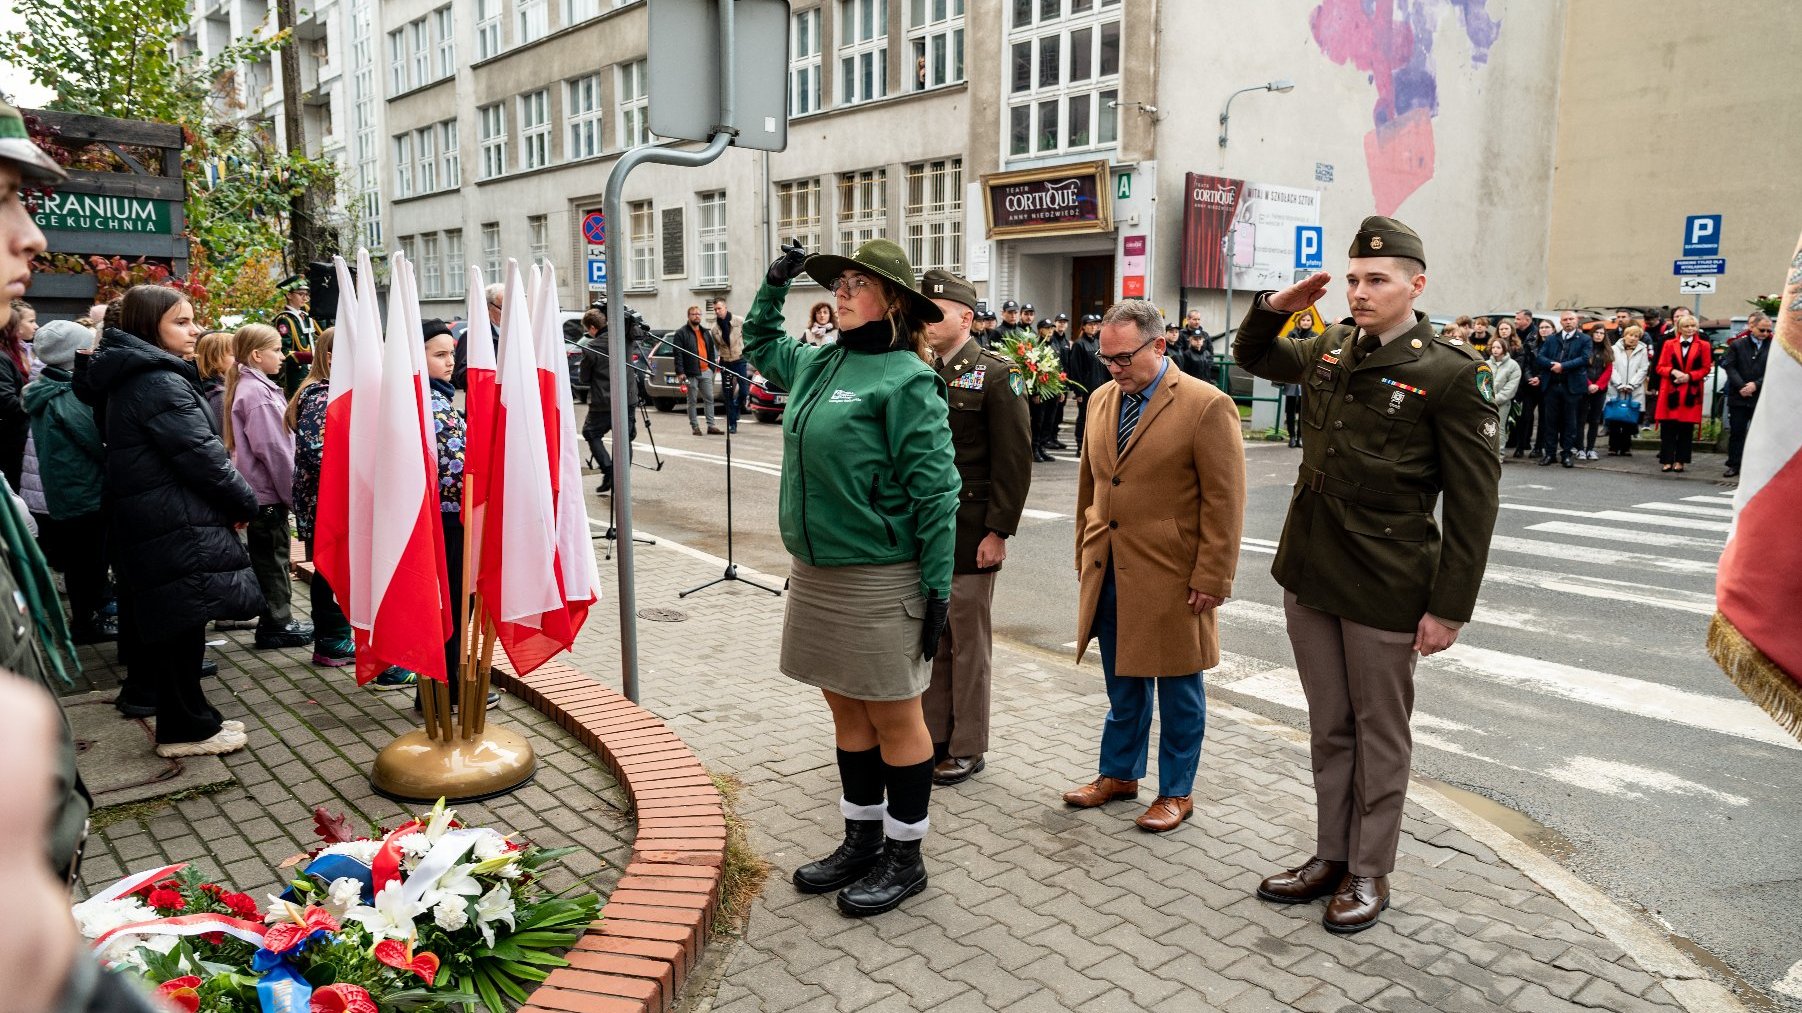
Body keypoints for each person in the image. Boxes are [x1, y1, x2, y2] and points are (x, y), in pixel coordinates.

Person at [1233, 216, 1499, 934]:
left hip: (1386, 577)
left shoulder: (1449, 372)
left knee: (1380, 730)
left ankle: (1369, 867)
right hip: (1311, 569)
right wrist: (1276, 306)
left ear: (1416, 283)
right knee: (1329, 726)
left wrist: (1449, 609)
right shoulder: (1330, 346)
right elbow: (1251, 356)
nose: (1360, 290)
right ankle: (1330, 854)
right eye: (1352, 278)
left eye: (1376, 279)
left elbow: (1474, 504)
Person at [745, 237, 959, 918]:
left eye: (854, 285)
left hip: (879, 578)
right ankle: (860, 840)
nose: (838, 293)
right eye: (835, 284)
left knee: (896, 713)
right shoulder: (818, 361)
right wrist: (773, 283)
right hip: (819, 575)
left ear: (891, 301)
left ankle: (906, 855)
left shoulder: (907, 378)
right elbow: (756, 341)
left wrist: (936, 591)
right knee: (844, 706)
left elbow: (937, 495)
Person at [1063, 298, 1246, 833]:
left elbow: (1224, 502)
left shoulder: (1205, 405)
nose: (1114, 369)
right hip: (1111, 566)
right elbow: (1091, 486)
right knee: (1122, 682)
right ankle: (1118, 774)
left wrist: (1213, 576)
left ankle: (1176, 791)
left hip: (1173, 574)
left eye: (1123, 359)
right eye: (1106, 359)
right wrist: (1085, 550)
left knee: (1178, 690)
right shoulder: (1101, 399)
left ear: (1159, 346)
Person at [88, 285, 261, 757]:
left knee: (180, 626)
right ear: (149, 327)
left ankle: (193, 718)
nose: (194, 330)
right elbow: (202, 456)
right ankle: (184, 730)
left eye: (192, 320)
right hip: (171, 518)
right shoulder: (157, 380)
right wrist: (245, 501)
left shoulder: (146, 373)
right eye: (180, 322)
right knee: (181, 627)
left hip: (161, 515)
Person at [917, 269, 1032, 787]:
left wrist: (998, 533)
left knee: (968, 643)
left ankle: (967, 746)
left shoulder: (994, 373)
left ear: (965, 317)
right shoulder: (922, 368)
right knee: (933, 638)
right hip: (928, 531)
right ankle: (933, 736)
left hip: (970, 530)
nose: (926, 321)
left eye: (935, 311)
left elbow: (1015, 461)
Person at [422, 319, 495, 711]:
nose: (450, 362)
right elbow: (453, 464)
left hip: (452, 521)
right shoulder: (426, 402)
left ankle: (440, 688)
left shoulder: (440, 397)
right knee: (449, 606)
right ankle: (443, 690)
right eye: (440, 354)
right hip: (445, 523)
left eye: (452, 353)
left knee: (454, 604)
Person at [223, 323, 310, 650]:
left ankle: (277, 619)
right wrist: (293, 494)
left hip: (257, 493)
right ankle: (278, 622)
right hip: (266, 494)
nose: (281, 355)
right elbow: (274, 450)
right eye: (275, 349)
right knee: (272, 559)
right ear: (257, 355)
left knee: (268, 556)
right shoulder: (258, 394)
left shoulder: (251, 387)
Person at [25, 320, 112, 643]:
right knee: (87, 563)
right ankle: (86, 625)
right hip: (82, 489)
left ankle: (84, 620)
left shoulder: (43, 387)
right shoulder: (68, 393)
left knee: (80, 562)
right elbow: (93, 439)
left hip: (62, 487)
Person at [287, 326, 362, 671]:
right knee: (332, 569)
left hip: (331, 503)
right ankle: (332, 640)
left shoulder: (331, 391)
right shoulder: (321, 396)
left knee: (333, 568)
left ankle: (333, 638)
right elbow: (320, 452)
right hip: (326, 506)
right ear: (332, 359)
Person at [576, 306, 638, 492]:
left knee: (591, 433)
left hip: (603, 402)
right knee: (624, 438)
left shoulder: (592, 347)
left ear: (592, 328)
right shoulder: (624, 339)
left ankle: (609, 470)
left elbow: (584, 378)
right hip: (627, 398)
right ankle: (622, 480)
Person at [1655, 313, 1712, 473]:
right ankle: (1666, 460)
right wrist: (1674, 372)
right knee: (1668, 428)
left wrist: (1689, 376)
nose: (1690, 329)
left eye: (1693, 326)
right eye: (1687, 326)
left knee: (1686, 429)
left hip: (1690, 392)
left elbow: (1706, 368)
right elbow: (1660, 367)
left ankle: (1680, 461)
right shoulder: (1668, 344)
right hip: (1671, 391)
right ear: (1679, 328)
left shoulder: (1704, 345)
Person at [1720, 312, 1772, 477]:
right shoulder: (1738, 344)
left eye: (1768, 331)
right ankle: (1734, 464)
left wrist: (1756, 384)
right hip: (1739, 396)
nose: (1765, 334)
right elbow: (1730, 366)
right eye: (1762, 330)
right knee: (1737, 432)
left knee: (1760, 434)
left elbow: (1775, 367)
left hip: (1760, 396)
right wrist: (1741, 385)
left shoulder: (1773, 345)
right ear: (1752, 327)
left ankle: (1758, 465)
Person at [1536, 311, 1589, 468]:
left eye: (1571, 319)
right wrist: (1553, 365)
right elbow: (1540, 357)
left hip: (1571, 387)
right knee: (1550, 422)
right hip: (1552, 385)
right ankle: (1550, 453)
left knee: (1570, 423)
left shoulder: (1585, 339)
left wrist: (1563, 366)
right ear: (1561, 321)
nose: (1568, 322)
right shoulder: (1552, 338)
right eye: (1565, 319)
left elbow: (1584, 359)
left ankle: (1566, 454)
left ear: (1576, 320)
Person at [673, 305, 723, 436]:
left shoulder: (705, 332)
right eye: (694, 314)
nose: (697, 316)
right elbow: (678, 354)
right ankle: (695, 427)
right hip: (690, 372)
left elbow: (711, 352)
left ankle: (711, 426)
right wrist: (680, 372)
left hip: (706, 371)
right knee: (692, 401)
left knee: (709, 399)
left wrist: (711, 368)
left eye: (699, 314)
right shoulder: (681, 333)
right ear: (688, 316)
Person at [1606, 325, 1651, 457]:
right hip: (1616, 388)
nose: (1633, 338)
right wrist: (1619, 384)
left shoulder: (1642, 350)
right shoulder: (1614, 349)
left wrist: (1632, 384)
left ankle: (1626, 447)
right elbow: (1611, 368)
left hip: (1633, 389)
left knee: (1629, 419)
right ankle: (1613, 447)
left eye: (1636, 336)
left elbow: (1643, 369)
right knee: (1614, 418)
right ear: (1624, 335)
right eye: (1630, 335)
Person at [1065, 313, 1107, 452]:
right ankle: (1080, 445)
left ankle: (1093, 445)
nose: (1094, 327)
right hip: (1086, 389)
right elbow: (1075, 369)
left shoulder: (1097, 342)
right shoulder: (1079, 344)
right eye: (1090, 324)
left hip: (1099, 387)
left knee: (1098, 418)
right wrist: (1078, 391)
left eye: (1095, 324)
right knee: (1084, 417)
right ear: (1083, 326)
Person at [0, 299, 30, 489]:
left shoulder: (9, 354)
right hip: (8, 439)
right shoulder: (2, 358)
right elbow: (6, 400)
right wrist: (34, 403)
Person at [271, 274, 317, 397]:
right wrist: (310, 357)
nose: (305, 298)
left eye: (306, 294)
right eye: (301, 294)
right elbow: (284, 351)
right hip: (297, 374)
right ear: (289, 295)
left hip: (312, 370)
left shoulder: (306, 316)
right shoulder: (284, 319)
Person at [453, 283, 502, 390]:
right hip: (485, 401)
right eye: (502, 307)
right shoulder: (472, 337)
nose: (509, 312)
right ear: (488, 307)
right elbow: (460, 377)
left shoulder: (517, 338)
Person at [1028, 316, 1062, 462]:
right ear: (1040, 330)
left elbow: (1059, 368)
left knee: (1049, 420)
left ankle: (1042, 447)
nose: (1050, 331)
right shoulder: (1036, 345)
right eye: (1047, 328)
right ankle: (1034, 448)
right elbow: (1032, 370)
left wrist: (1061, 389)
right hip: (1041, 390)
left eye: (1051, 329)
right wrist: (1035, 392)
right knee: (1038, 421)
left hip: (1052, 389)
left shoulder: (1054, 344)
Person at [1508, 311, 1542, 457]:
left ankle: (1533, 445)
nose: (1515, 321)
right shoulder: (1518, 334)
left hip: (1540, 381)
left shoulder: (1534, 335)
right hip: (1526, 381)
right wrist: (1528, 377)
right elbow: (1526, 361)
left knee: (1539, 416)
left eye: (1518, 319)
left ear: (1527, 320)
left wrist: (1537, 377)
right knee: (1524, 414)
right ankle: (1520, 444)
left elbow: (1532, 359)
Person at [1578, 326, 1615, 460]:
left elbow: (1608, 370)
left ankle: (1591, 449)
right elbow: (1581, 368)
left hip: (1600, 390)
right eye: (1596, 333)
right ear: (1592, 334)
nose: (1599, 335)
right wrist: (1588, 384)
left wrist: (1598, 386)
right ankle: (1580, 448)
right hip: (1584, 388)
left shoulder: (1607, 351)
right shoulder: (1585, 348)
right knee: (1580, 420)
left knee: (1594, 420)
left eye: (1602, 333)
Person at [715, 297, 749, 434]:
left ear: (725, 308)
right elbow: (719, 346)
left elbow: (747, 337)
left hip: (739, 360)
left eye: (719, 308)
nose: (717, 311)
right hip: (725, 362)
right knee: (728, 394)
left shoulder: (739, 321)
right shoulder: (714, 329)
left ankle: (736, 407)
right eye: (715, 309)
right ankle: (732, 424)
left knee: (744, 391)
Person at [1486, 337, 1520, 461]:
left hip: (1503, 403)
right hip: (1486, 402)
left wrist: (1496, 400)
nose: (1495, 350)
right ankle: (1486, 453)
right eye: (1493, 347)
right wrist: (1487, 398)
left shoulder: (1513, 366)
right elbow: (1481, 382)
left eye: (1498, 347)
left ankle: (1498, 454)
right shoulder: (1486, 364)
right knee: (1486, 427)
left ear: (1504, 349)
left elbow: (1511, 387)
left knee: (1499, 428)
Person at [194, 329, 234, 430]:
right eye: (234, 355)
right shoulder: (219, 395)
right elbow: (222, 435)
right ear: (214, 358)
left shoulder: (201, 383)